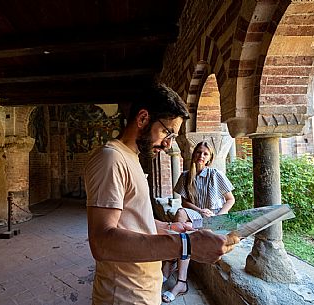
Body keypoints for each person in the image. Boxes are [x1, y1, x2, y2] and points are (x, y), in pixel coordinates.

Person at [84, 84, 239, 305]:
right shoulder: (111, 159)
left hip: (142, 288)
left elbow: (130, 221)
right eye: (167, 132)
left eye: (174, 137)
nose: (168, 144)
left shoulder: (132, 158)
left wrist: (168, 228)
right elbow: (101, 242)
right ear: (143, 118)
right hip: (123, 296)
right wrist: (187, 245)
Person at [161, 141, 235, 303]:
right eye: (198, 152)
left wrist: (218, 217)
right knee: (181, 215)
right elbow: (184, 203)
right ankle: (178, 275)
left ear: (209, 158)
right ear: (193, 154)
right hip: (198, 214)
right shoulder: (185, 176)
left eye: (205, 154)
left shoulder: (215, 174)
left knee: (185, 233)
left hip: (215, 217)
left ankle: (173, 268)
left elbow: (230, 200)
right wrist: (200, 211)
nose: (201, 156)